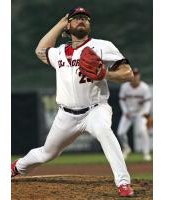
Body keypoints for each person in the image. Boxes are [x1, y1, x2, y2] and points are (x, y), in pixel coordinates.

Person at [11, 7, 134, 197]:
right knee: (48, 153)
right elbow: (40, 50)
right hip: (66, 114)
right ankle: (17, 167)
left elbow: (128, 73)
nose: (82, 20)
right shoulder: (59, 52)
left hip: (96, 109)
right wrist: (60, 23)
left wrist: (107, 74)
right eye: (76, 18)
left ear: (89, 25)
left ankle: (123, 182)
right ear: (68, 26)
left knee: (104, 131)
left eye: (85, 18)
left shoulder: (102, 46)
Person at [117, 68, 152, 161]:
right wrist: (125, 111)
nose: (135, 76)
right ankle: (126, 148)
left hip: (140, 113)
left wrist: (145, 112)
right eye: (133, 74)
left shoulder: (144, 87)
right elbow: (121, 100)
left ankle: (146, 153)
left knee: (143, 131)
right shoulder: (125, 87)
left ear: (139, 76)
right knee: (120, 133)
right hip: (128, 113)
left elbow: (148, 102)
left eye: (136, 74)